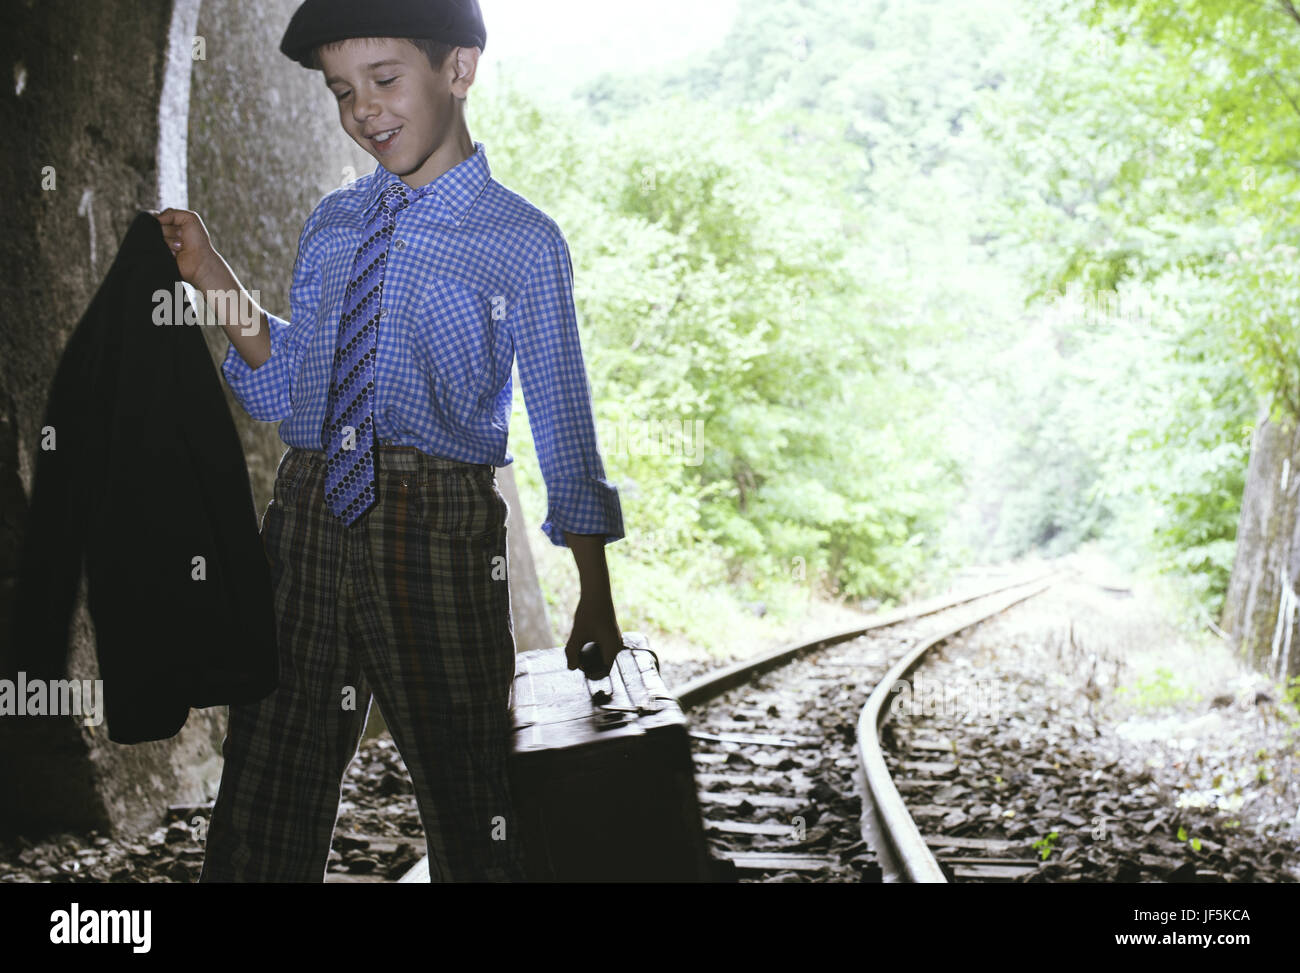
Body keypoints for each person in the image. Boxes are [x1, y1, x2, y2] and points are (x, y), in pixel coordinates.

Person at [154, 0, 625, 882]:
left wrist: (593, 593)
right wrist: (209, 273)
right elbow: (290, 381)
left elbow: (563, 420)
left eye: (383, 79)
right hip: (306, 520)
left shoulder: (521, 242)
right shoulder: (333, 224)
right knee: (265, 787)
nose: (363, 109)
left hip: (437, 533)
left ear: (459, 69)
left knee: (470, 792)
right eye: (341, 91)